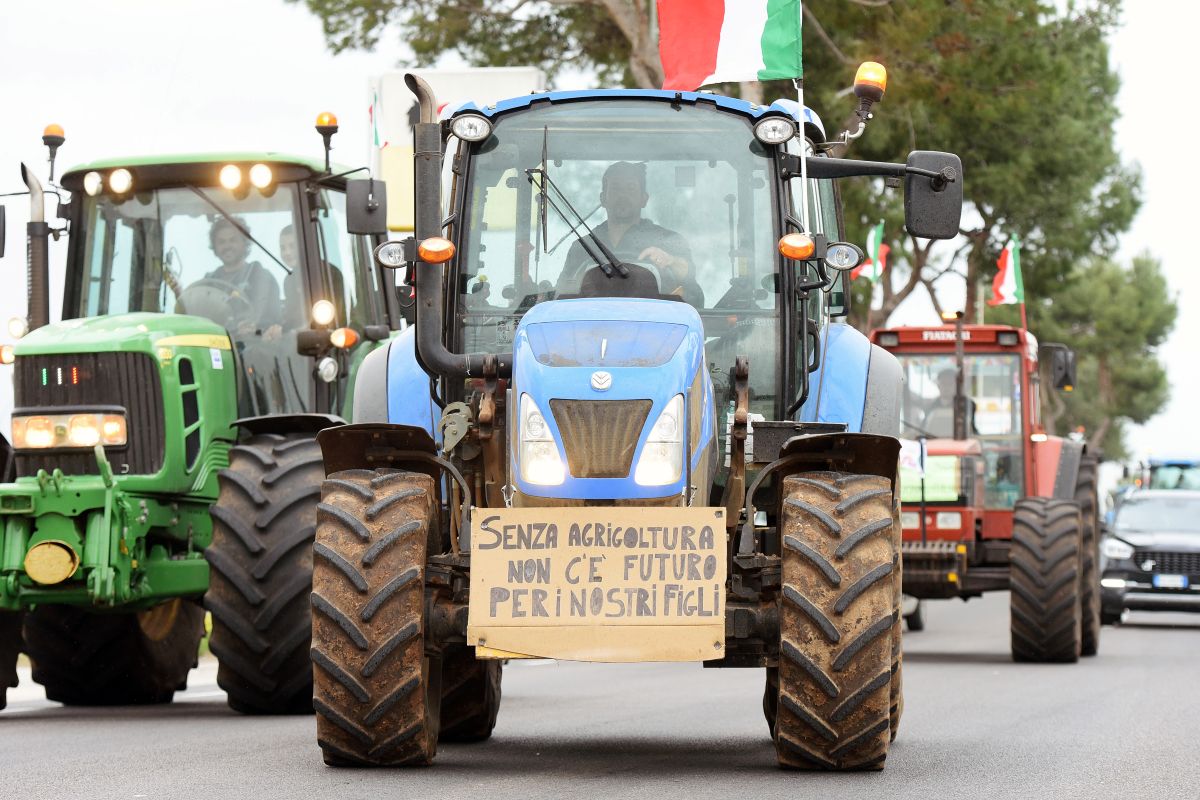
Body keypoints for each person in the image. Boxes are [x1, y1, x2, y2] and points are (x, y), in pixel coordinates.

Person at [559, 161, 702, 304]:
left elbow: (695, 297)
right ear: (603, 199)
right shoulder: (582, 247)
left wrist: (671, 261)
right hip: (591, 326)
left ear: (644, 199)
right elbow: (560, 298)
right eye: (615, 188)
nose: (623, 195)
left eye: (631, 188)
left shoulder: (668, 241)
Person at [203, 216, 280, 334]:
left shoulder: (261, 278)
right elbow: (199, 316)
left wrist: (255, 329)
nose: (227, 246)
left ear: (245, 243)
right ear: (215, 247)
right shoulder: (209, 282)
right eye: (221, 242)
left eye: (233, 240)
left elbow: (272, 321)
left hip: (253, 347)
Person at [921, 368, 977, 437]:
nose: (946, 387)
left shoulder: (968, 404)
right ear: (938, 386)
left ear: (957, 386)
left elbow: (972, 430)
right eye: (943, 383)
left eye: (950, 384)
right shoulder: (931, 406)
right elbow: (923, 429)